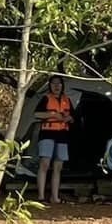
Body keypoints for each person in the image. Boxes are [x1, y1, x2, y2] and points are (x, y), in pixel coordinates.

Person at [32, 75, 75, 205]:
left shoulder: (67, 100)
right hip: (47, 133)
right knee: (45, 163)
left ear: (62, 86)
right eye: (53, 83)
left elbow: (73, 117)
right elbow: (36, 114)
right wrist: (52, 115)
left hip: (62, 134)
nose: (56, 86)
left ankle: (54, 197)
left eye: (59, 84)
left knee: (58, 166)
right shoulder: (46, 99)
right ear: (50, 86)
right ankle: (41, 196)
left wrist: (69, 119)